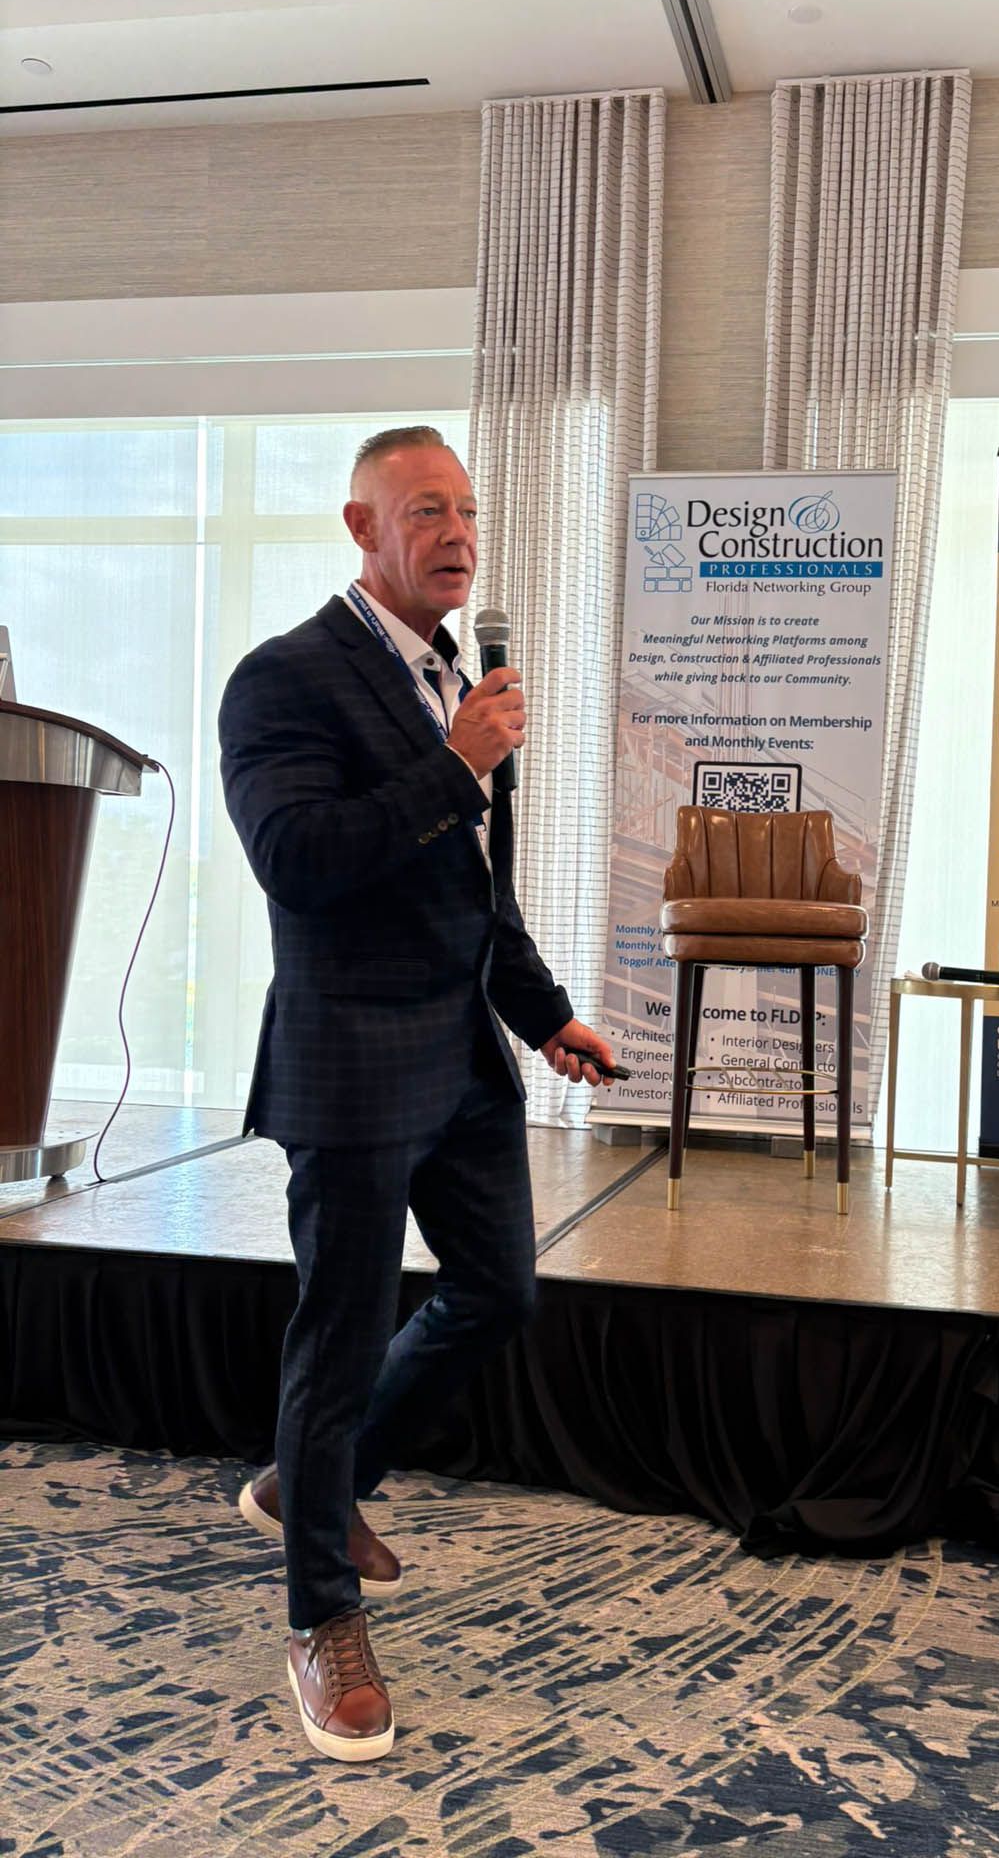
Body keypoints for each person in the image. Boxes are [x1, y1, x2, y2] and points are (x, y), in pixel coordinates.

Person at [218, 425, 613, 1763]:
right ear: (362, 526)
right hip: (349, 1060)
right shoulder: (284, 677)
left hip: (462, 1056)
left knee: (499, 1290)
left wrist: (544, 1014)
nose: (457, 534)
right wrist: (455, 765)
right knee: (336, 1339)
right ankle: (319, 1620)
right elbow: (297, 858)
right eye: (427, 510)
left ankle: (311, 1487)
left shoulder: (460, 680)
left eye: (468, 512)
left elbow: (477, 885)